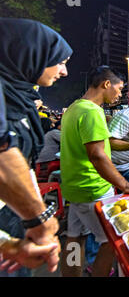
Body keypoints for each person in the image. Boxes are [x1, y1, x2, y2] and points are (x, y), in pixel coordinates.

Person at [59, 65, 129, 277]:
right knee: (112, 241)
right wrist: (124, 184)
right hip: (93, 189)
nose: (120, 93)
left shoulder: (74, 108)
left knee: (75, 238)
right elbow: (97, 155)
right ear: (106, 84)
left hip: (74, 189)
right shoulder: (93, 111)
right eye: (119, 88)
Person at [0, 17, 73, 276]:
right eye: (60, 62)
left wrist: (7, 244)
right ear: (31, 54)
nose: (64, 72)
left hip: (14, 218)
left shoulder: (19, 97)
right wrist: (38, 219)